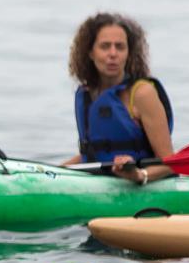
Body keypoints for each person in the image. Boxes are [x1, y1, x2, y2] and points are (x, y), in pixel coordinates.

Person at [62, 13, 174, 185]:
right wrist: (49, 171)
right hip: (99, 181)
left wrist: (139, 175)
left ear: (129, 53)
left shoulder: (142, 93)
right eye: (105, 46)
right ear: (90, 52)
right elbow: (91, 155)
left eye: (120, 47)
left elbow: (170, 164)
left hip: (140, 184)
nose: (113, 53)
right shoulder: (86, 93)